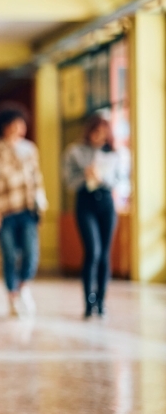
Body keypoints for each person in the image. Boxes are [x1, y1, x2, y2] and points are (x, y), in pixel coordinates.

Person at [0, 103, 48, 317]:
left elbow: (37, 179)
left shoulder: (30, 149)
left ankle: (23, 287)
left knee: (31, 254)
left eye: (22, 123)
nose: (19, 127)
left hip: (27, 210)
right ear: (5, 126)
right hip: (5, 211)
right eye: (15, 124)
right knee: (9, 256)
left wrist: (41, 205)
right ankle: (12, 296)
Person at [61, 114, 129, 318]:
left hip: (107, 204)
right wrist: (85, 176)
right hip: (85, 203)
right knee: (93, 251)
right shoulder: (74, 151)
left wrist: (102, 177)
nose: (98, 136)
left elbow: (121, 181)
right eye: (95, 132)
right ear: (89, 131)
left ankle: (101, 300)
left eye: (103, 133)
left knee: (104, 254)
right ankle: (88, 301)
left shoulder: (116, 154)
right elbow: (68, 180)